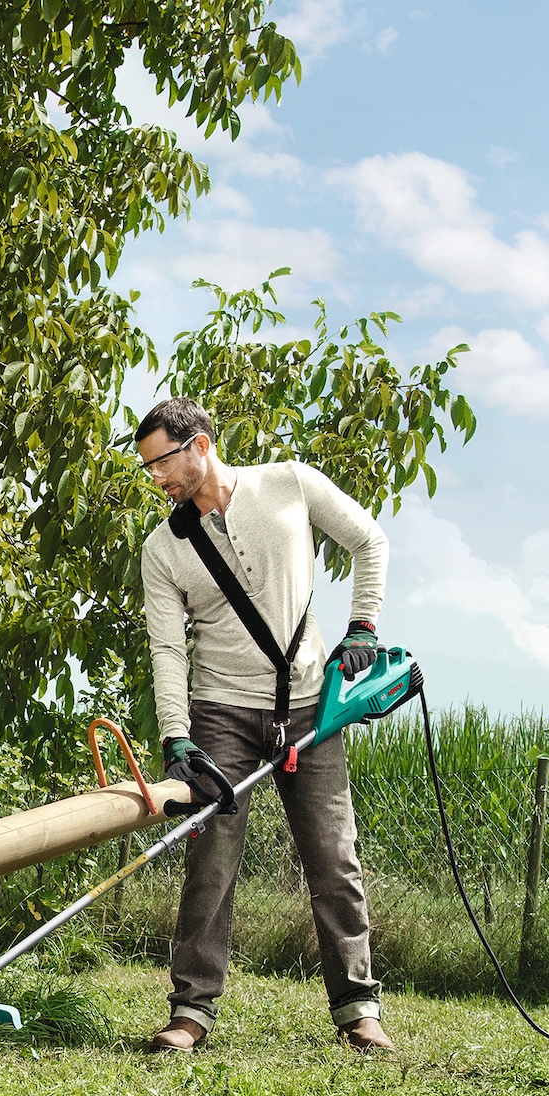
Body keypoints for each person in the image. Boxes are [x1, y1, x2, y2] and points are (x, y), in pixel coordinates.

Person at [135, 396, 395, 1056]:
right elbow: (167, 648)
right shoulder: (164, 548)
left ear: (198, 446)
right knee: (210, 865)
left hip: (309, 702)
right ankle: (191, 1012)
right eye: (148, 469)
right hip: (219, 711)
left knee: (334, 858)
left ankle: (359, 1011)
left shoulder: (290, 485)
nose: (156, 479)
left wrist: (362, 625)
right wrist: (176, 735)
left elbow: (370, 540)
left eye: (161, 463)